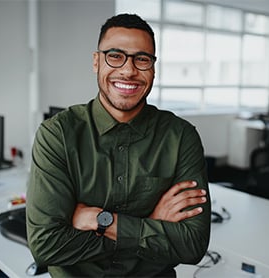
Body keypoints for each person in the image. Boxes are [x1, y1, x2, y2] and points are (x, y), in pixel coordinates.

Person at [26, 13, 211, 277]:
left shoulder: (181, 136)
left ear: (153, 68)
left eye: (142, 59)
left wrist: (102, 222)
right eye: (115, 55)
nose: (128, 70)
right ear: (96, 61)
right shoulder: (58, 134)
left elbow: (192, 246)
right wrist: (151, 225)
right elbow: (47, 246)